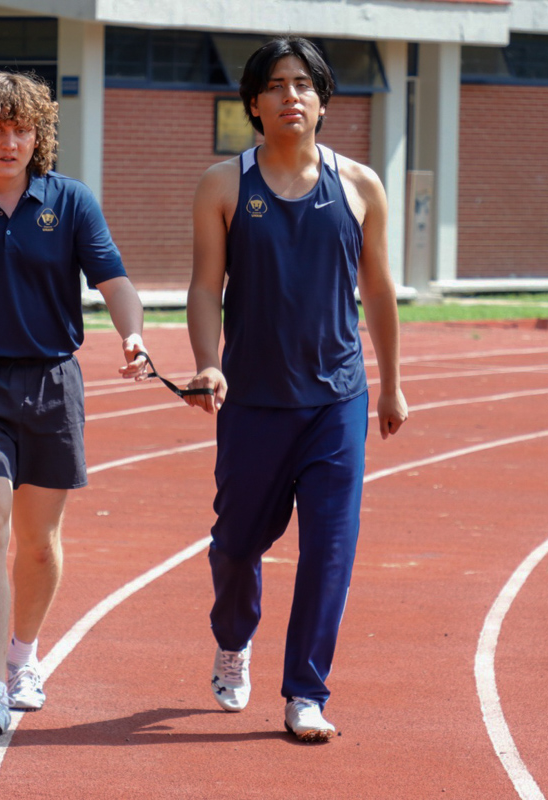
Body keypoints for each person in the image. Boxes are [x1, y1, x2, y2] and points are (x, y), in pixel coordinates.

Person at [0, 72, 148, 741]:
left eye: (20, 129)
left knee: (38, 545)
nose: (8, 142)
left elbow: (114, 281)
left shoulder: (69, 201)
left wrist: (132, 335)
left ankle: (22, 656)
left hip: (51, 384)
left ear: (38, 136)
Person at [184, 37, 408, 742]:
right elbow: (204, 287)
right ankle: (232, 638)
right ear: (253, 104)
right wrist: (207, 362)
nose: (292, 96)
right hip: (252, 400)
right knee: (235, 547)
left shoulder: (360, 185)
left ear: (322, 101)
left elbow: (378, 290)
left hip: (337, 399)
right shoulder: (223, 185)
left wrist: (391, 385)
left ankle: (305, 693)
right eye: (277, 85)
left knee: (329, 552)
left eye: (305, 84)